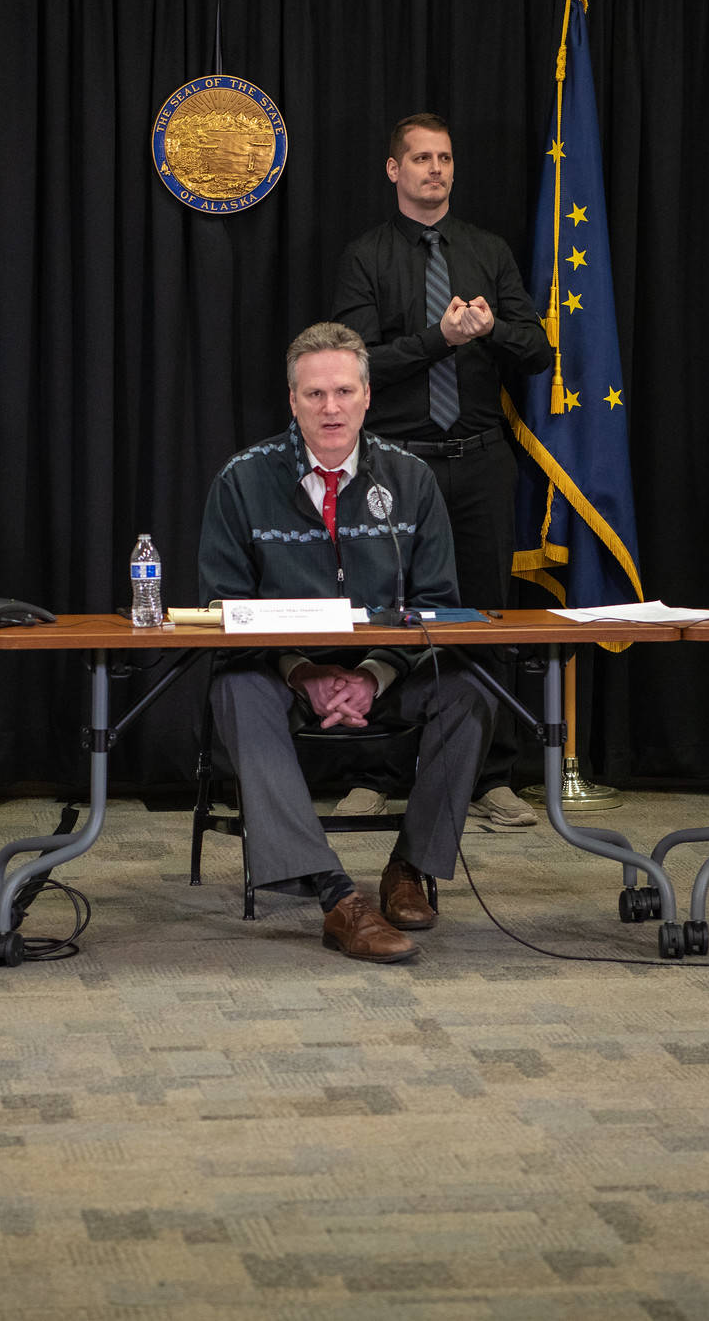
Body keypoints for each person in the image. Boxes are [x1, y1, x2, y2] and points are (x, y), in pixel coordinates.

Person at [199, 321, 497, 963]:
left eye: (343, 392)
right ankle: (337, 896)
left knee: (469, 693)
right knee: (236, 691)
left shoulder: (412, 479)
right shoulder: (242, 480)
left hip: (387, 674)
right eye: (314, 394)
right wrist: (302, 672)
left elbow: (437, 604)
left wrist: (372, 674)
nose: (330, 408)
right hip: (281, 675)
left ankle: (410, 868)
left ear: (367, 396)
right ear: (293, 401)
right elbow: (225, 607)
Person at [331, 112, 551, 827]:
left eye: (446, 158)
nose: (436, 170)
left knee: (485, 618)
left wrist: (491, 330)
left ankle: (491, 777)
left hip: (480, 460)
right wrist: (439, 338)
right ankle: (376, 771)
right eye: (422, 158)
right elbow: (355, 365)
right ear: (394, 170)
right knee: (384, 616)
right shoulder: (366, 255)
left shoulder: (487, 251)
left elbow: (537, 350)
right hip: (396, 467)